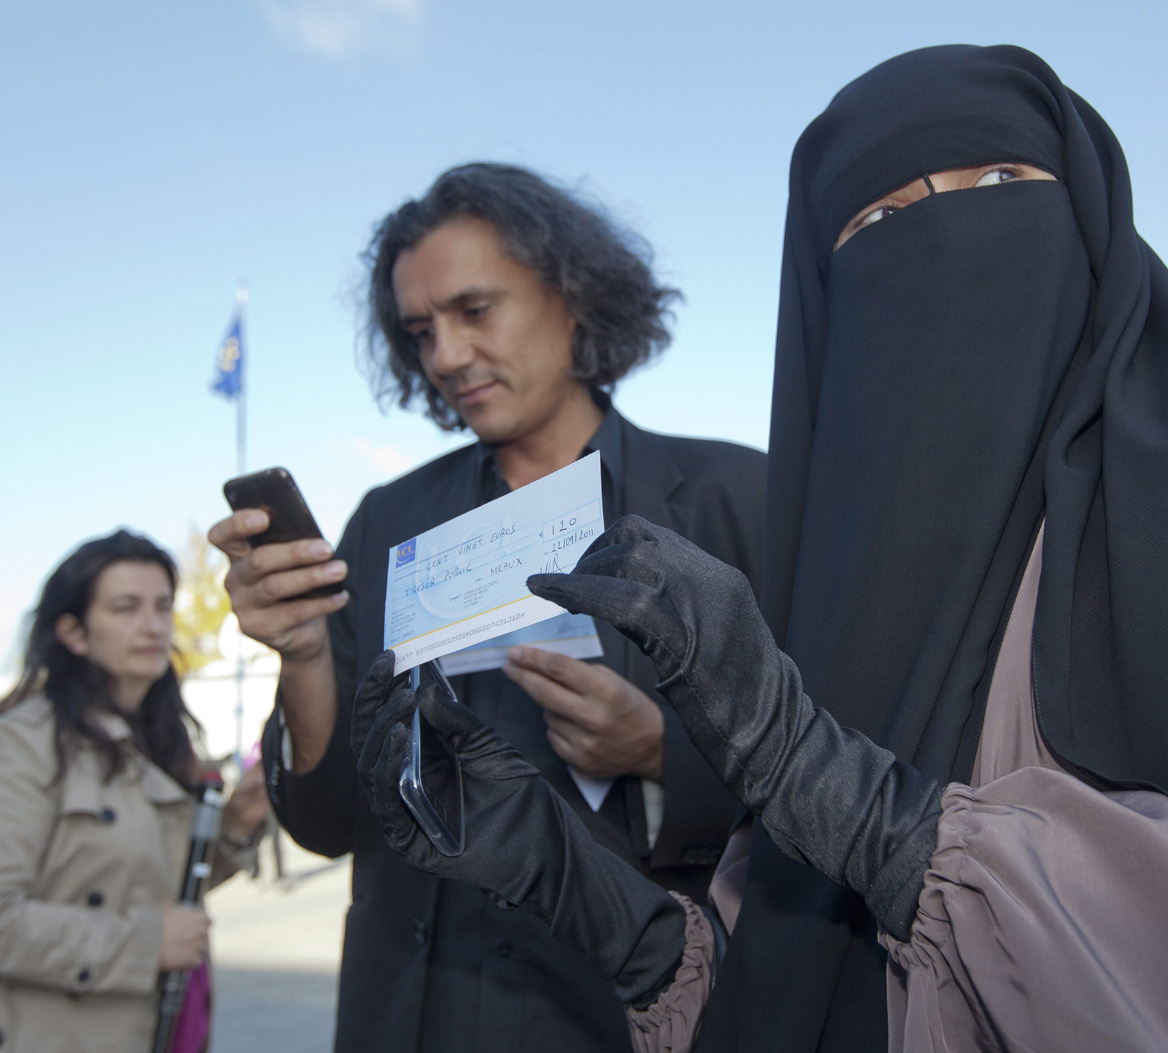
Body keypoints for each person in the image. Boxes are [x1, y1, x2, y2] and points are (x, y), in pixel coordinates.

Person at [353, 45, 1168, 1052]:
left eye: (999, 183)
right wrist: (598, 903)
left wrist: (851, 808)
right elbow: (807, 987)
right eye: (878, 223)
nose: (948, 242)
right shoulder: (849, 560)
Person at [208, 163, 765, 1052]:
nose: (446, 356)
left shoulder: (739, 498)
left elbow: (840, 782)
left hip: (631, 1019)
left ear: (574, 294)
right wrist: (305, 655)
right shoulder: (387, 520)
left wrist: (663, 753)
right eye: (421, 330)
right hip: (413, 1011)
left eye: (476, 311)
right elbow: (325, 823)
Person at [0, 530, 268, 1053]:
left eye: (163, 606)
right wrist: (145, 944)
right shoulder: (25, 740)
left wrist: (234, 826)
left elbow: (149, 885)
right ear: (73, 633)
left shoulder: (165, 737)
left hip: (160, 1027)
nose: (153, 626)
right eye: (126, 608)